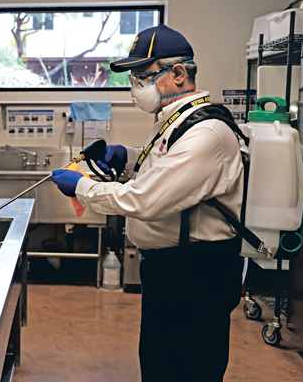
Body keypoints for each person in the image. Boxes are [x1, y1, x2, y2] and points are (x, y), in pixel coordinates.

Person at [50, 24, 244, 382]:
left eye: (143, 76)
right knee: (159, 364)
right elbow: (167, 169)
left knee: (187, 369)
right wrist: (127, 157)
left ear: (179, 74)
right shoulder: (178, 122)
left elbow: (146, 199)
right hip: (172, 271)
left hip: (196, 275)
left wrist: (82, 187)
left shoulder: (207, 133)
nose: (135, 87)